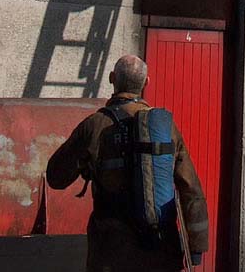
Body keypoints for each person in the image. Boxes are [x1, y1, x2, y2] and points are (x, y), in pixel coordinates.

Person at [46, 54, 208, 272]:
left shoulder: (94, 126)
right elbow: (191, 190)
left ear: (112, 78)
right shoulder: (166, 129)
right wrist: (196, 248)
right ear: (146, 83)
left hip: (111, 254)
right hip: (160, 252)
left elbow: (56, 177)